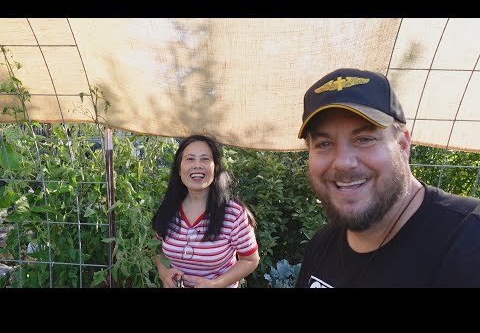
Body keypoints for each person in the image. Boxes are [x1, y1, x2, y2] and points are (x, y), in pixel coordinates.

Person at [295, 68, 480, 288]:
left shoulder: (469, 241)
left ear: (402, 146)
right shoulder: (322, 245)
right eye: (324, 144)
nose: (343, 162)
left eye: (364, 139)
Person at [151, 134, 259, 288]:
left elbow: (250, 260)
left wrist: (216, 284)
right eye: (189, 159)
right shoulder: (168, 208)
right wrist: (163, 272)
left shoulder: (233, 213)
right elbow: (156, 247)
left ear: (216, 169)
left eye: (205, 159)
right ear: (179, 170)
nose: (197, 165)